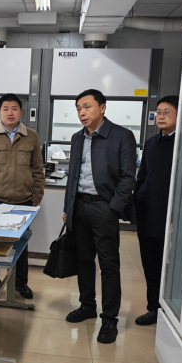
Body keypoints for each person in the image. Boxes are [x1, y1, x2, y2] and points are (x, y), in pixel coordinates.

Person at [62, 89, 137, 344]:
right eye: (78, 109)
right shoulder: (77, 138)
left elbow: (128, 177)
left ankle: (109, 319)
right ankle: (87, 305)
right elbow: (72, 176)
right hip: (79, 207)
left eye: (87, 107)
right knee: (83, 260)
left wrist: (113, 207)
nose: (82, 113)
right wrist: (68, 207)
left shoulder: (122, 136)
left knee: (108, 264)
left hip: (104, 208)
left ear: (102, 108)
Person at [0, 93, 44, 299]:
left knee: (21, 244)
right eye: (5, 109)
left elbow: (37, 169)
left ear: (21, 112)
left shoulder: (31, 136)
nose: (10, 113)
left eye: (14, 108)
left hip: (23, 201)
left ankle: (20, 283)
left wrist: (37, 195)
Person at [133, 95, 178, 326]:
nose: (161, 116)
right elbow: (142, 177)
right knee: (151, 264)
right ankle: (154, 308)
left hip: (175, 216)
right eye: (158, 112)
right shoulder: (151, 144)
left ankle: (177, 313)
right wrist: (138, 202)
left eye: (166, 112)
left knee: (175, 267)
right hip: (149, 215)